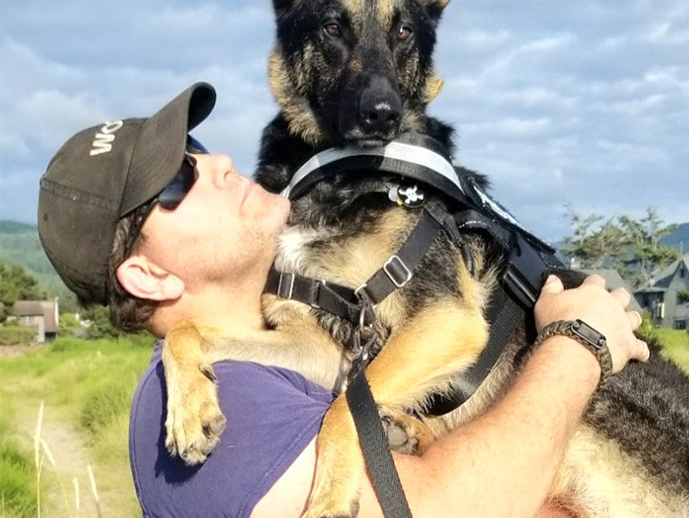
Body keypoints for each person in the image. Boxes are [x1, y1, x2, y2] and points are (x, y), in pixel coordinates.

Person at [37, 82, 649, 518]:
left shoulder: (262, 340)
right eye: (176, 180)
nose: (218, 162)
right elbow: (461, 505)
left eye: (197, 148)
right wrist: (579, 343)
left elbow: (324, 359)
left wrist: (187, 341)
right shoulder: (219, 414)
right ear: (147, 277)